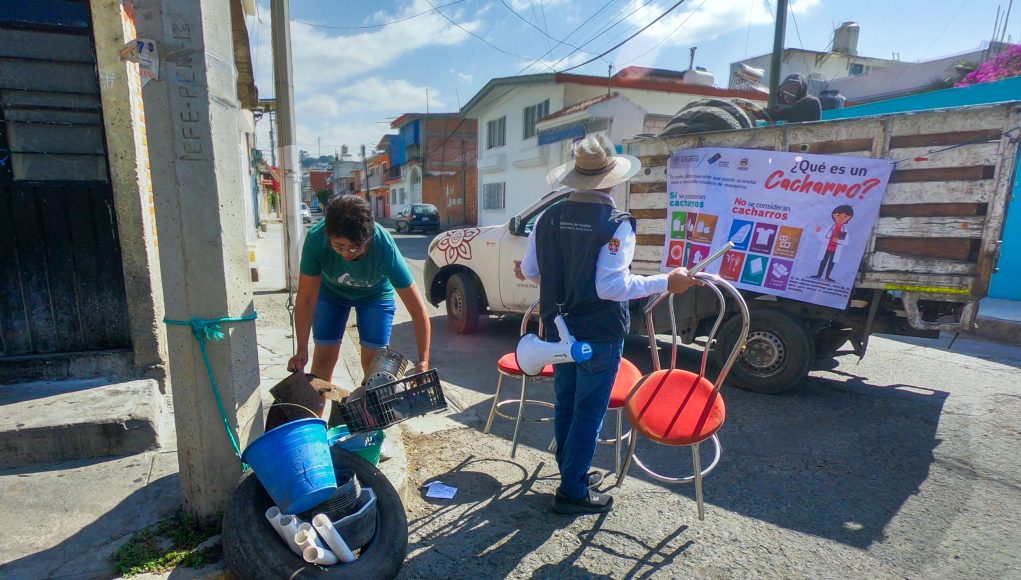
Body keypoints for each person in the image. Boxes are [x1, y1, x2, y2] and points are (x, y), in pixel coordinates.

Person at [517, 135, 700, 515]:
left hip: (557, 329)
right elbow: (610, 286)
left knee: (566, 403)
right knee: (589, 410)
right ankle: (572, 490)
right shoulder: (615, 223)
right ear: (612, 179)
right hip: (598, 332)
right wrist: (667, 281)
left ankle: (572, 474)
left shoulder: (547, 217)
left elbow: (532, 271)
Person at [287, 195, 431, 394]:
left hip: (375, 297)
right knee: (323, 358)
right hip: (331, 295)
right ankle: (317, 422)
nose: (346, 253)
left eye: (354, 247)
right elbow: (306, 299)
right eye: (338, 246)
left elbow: (417, 310)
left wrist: (423, 360)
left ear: (369, 237)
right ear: (329, 236)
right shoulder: (316, 239)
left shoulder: (384, 247)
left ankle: (369, 421)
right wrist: (301, 348)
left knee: (375, 369)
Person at [812, 204, 854, 282]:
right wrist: (818, 231)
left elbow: (845, 242)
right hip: (827, 248)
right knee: (823, 261)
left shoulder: (844, 229)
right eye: (838, 215)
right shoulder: (831, 227)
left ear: (849, 218)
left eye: (845, 216)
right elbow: (823, 237)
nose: (841, 218)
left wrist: (837, 241)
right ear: (833, 215)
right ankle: (819, 275)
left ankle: (827, 277)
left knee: (832, 263)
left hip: (835, 250)